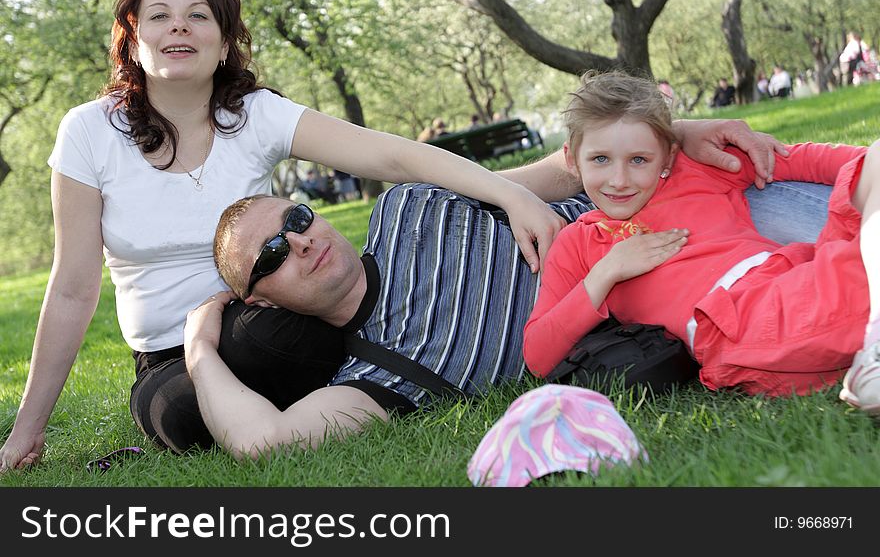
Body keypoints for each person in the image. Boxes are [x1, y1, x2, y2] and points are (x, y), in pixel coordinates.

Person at [0, 0, 569, 471]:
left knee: (281, 342)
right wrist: (28, 428)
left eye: (198, 16)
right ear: (133, 40)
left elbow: (393, 155)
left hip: (269, 313)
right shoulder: (88, 132)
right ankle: (276, 404)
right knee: (181, 416)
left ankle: (338, 389)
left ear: (223, 45)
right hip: (170, 350)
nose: (179, 26)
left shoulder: (254, 115)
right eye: (160, 16)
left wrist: (512, 194)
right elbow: (73, 287)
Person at [181, 125, 828, 460]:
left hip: (689, 204)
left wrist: (677, 130)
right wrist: (198, 353)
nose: (298, 241)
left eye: (295, 218)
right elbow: (267, 442)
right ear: (259, 301)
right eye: (270, 255)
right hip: (701, 292)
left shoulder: (408, 206)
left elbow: (557, 170)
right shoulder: (378, 374)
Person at [523, 71, 879, 409]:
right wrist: (607, 272)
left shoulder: (700, 169)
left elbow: (806, 159)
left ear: (668, 156)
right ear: (572, 159)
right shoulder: (580, 242)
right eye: (600, 159)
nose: (619, 179)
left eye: (638, 160)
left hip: (800, 286)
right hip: (739, 322)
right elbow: (538, 356)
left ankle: (871, 346)